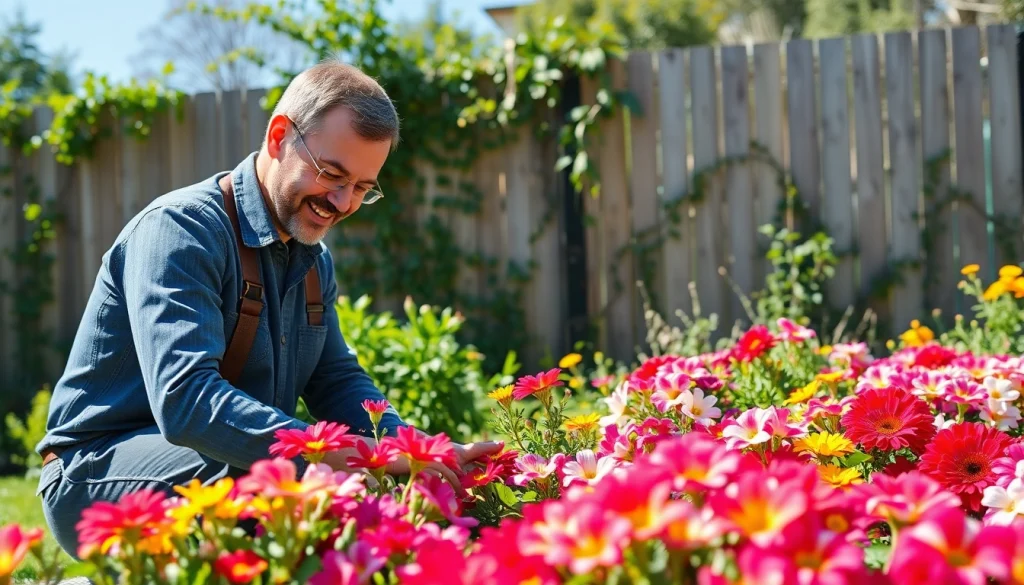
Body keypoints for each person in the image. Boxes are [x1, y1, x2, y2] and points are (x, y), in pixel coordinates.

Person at [34, 59, 500, 558]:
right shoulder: (182, 231)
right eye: (332, 174)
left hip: (209, 463)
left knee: (333, 484)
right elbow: (186, 402)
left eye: (363, 188)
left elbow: (336, 381)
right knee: (273, 474)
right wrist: (354, 457)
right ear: (279, 137)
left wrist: (415, 451)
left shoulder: (313, 260)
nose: (342, 202)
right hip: (92, 473)